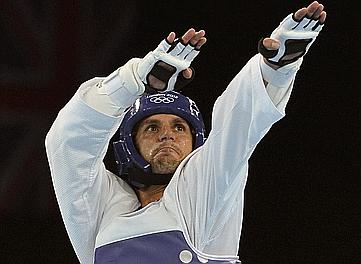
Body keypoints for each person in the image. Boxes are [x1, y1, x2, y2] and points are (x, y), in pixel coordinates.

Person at [45, 2, 327, 263]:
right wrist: (131, 83)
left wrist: (275, 70)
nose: (167, 135)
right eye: (152, 127)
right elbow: (68, 144)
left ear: (196, 144)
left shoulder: (201, 196)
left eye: (179, 127)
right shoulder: (103, 212)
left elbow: (238, 127)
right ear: (129, 144)